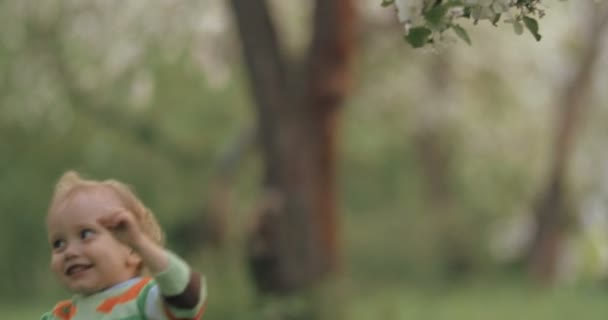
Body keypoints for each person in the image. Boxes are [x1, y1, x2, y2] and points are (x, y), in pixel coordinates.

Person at [40, 171, 207, 320]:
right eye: (59, 243)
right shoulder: (62, 315)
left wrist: (141, 243)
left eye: (86, 234)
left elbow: (188, 297)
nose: (70, 252)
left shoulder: (146, 299)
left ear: (132, 250)